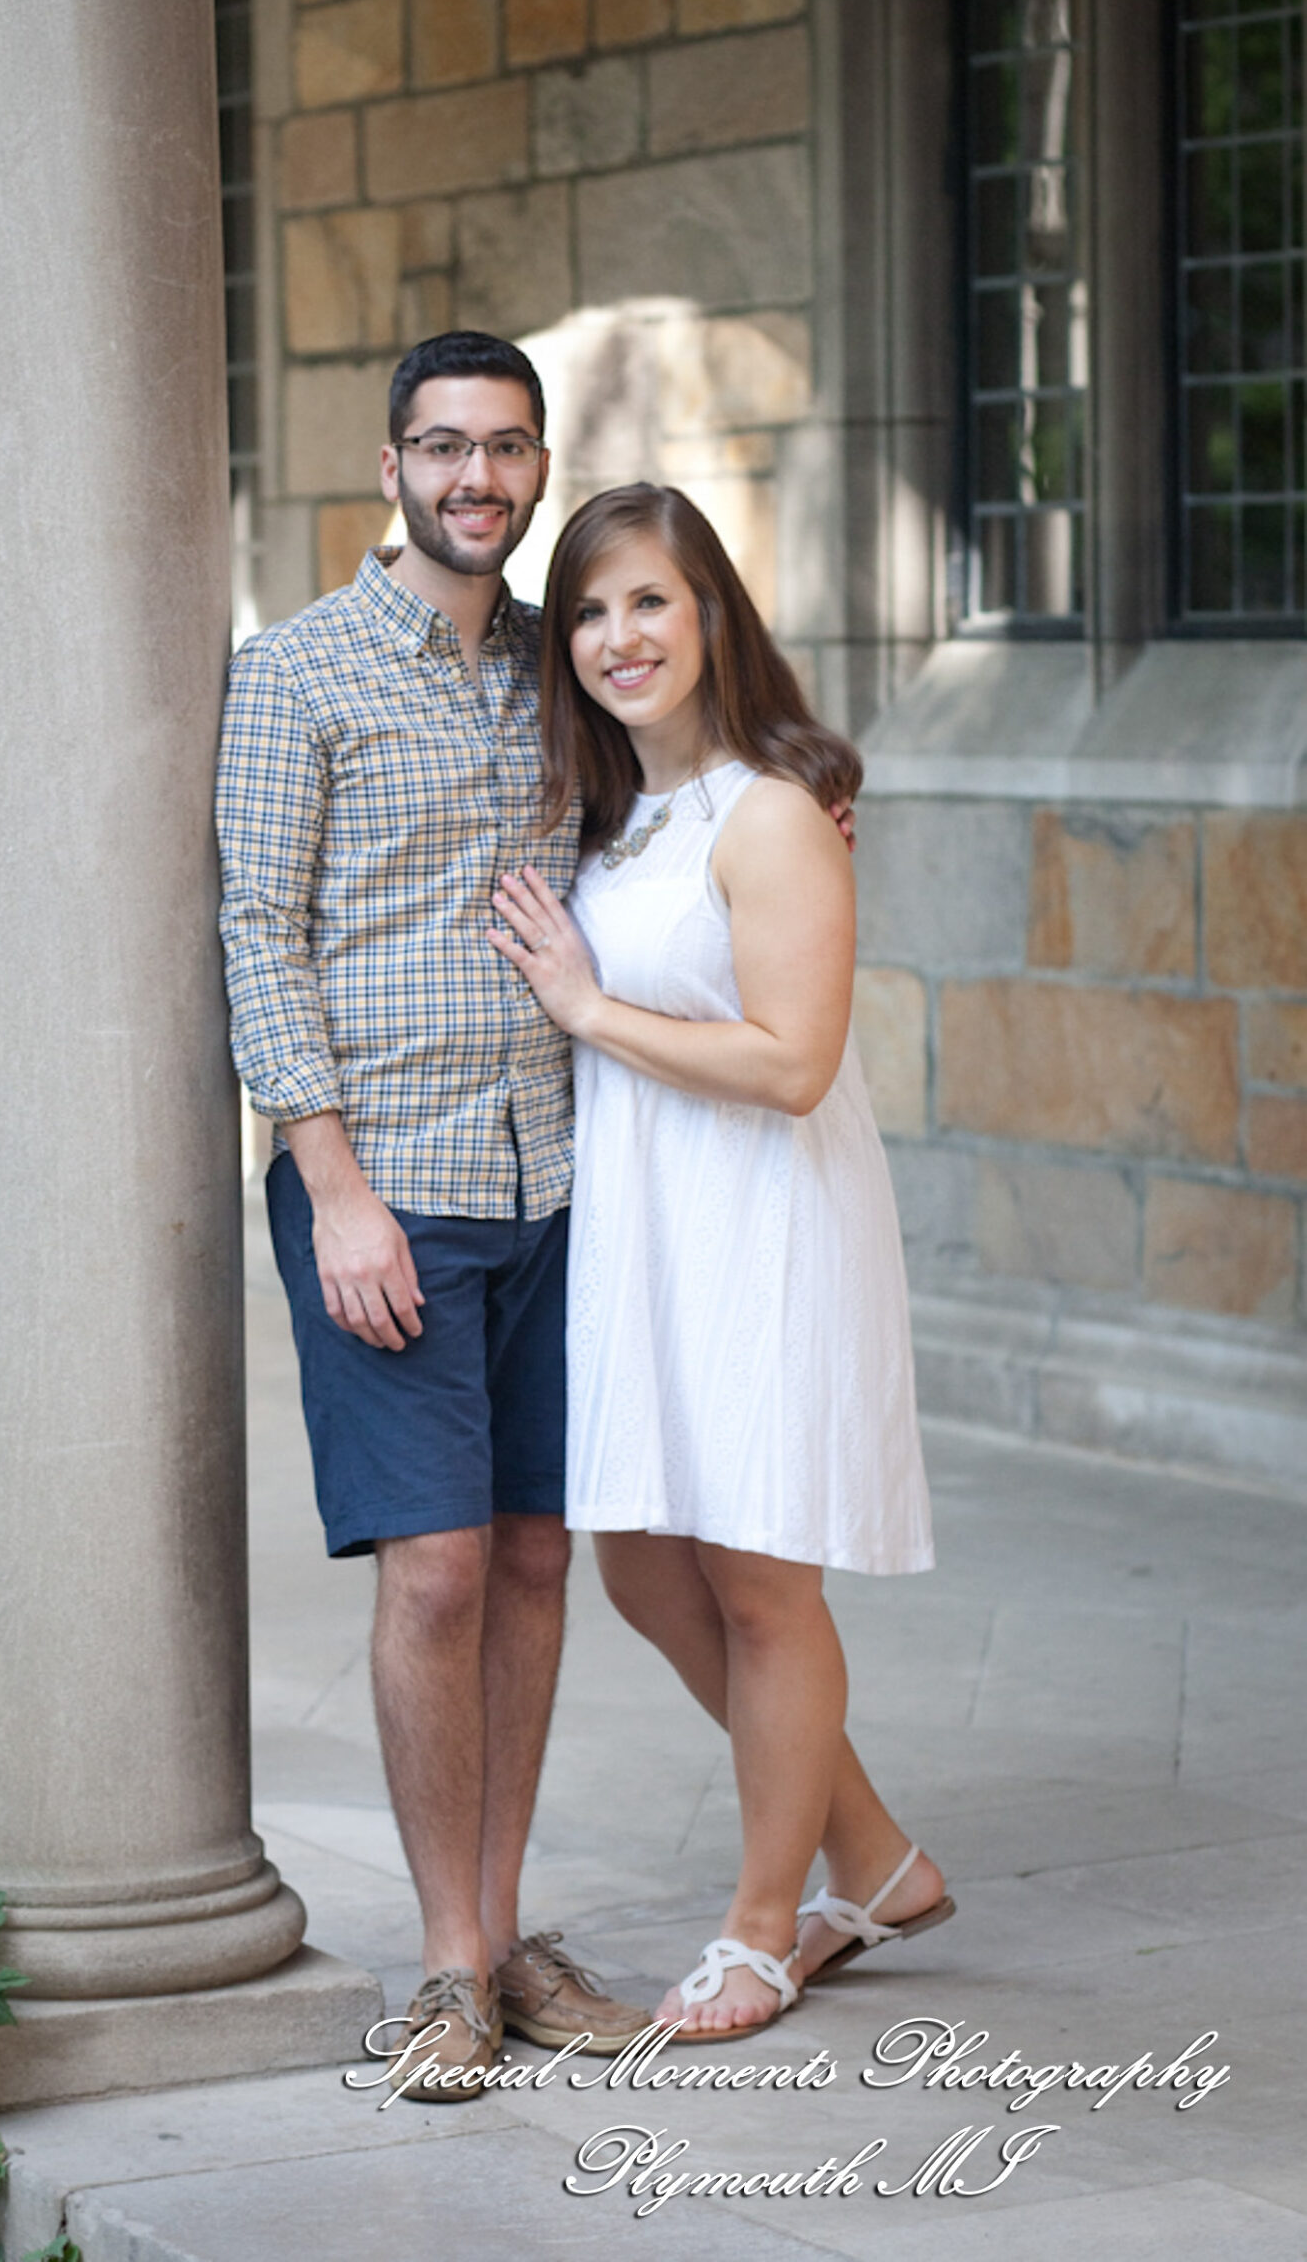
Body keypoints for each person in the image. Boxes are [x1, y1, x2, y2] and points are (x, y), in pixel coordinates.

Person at [215, 333, 649, 2097]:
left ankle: (507, 1933)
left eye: (509, 447)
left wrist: (816, 794)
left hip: (558, 1174)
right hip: (388, 1187)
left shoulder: (562, 667)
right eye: (447, 445)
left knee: (537, 1557)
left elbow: (680, 800)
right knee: (442, 1566)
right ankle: (449, 1965)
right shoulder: (294, 674)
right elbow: (258, 933)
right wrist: (330, 1188)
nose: (480, 476)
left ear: (539, 467)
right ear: (391, 463)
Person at [487, 481, 953, 2042]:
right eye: (589, 610)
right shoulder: (615, 814)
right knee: (641, 1564)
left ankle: (765, 1927)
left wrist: (588, 1009)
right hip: (651, 1232)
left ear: (709, 617)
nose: (617, 636)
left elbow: (793, 1065)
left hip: (763, 1227)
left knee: (758, 1579)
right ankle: (874, 1857)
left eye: (649, 601)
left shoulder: (769, 811)